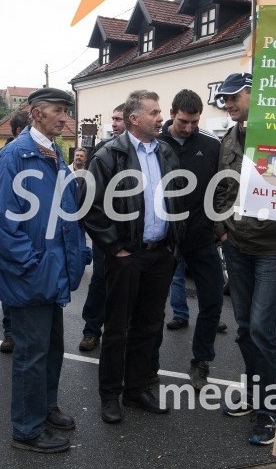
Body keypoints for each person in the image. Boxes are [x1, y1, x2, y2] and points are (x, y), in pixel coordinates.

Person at [0, 87, 90, 453]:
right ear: (35, 113)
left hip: (51, 273)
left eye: (66, 111)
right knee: (30, 356)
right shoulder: (14, 157)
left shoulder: (52, 153)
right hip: (33, 276)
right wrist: (32, 265)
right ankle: (26, 430)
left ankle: (45, 408)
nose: (65, 117)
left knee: (52, 348)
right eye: (58, 111)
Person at [85, 90, 184, 424]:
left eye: (159, 112)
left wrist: (173, 243)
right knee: (116, 329)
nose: (160, 117)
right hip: (127, 256)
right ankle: (110, 395)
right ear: (134, 118)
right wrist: (116, 248)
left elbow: (177, 197)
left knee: (149, 326)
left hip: (160, 254)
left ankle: (137, 389)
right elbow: (93, 207)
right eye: (154, 112)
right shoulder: (109, 155)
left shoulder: (166, 152)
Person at [213, 73, 276, 446]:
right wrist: (224, 231)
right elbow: (222, 188)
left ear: (252, 94)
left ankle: (268, 410)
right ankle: (252, 394)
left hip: (273, 247)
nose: (227, 104)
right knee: (245, 328)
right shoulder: (229, 138)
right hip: (238, 245)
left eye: (233, 97)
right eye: (224, 99)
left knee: (262, 329)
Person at [153, 89, 224, 390]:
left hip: (201, 235)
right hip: (163, 238)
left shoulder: (210, 146)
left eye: (195, 122)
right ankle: (147, 362)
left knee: (213, 299)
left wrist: (221, 223)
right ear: (172, 113)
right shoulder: (153, 145)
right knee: (153, 304)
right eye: (184, 121)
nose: (189, 127)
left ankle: (201, 361)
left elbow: (223, 186)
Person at [78, 104, 124, 352]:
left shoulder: (142, 152)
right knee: (99, 281)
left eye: (119, 119)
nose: (114, 123)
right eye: (113, 118)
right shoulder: (102, 149)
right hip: (105, 232)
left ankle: (118, 333)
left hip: (131, 233)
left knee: (125, 287)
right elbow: (89, 195)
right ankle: (91, 330)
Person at [0, 108, 30, 355]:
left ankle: (23, 332)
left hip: (32, 233)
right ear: (19, 132)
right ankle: (9, 332)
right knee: (9, 284)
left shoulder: (45, 154)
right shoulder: (2, 157)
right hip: (9, 231)